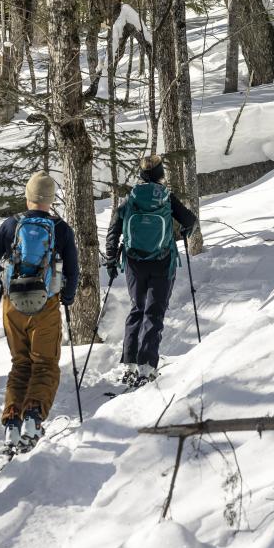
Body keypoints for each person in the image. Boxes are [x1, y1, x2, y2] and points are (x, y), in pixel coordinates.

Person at [0, 170, 79, 450]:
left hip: (13, 306)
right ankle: (33, 417)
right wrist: (67, 298)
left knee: (20, 364)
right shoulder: (61, 229)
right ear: (50, 199)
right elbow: (72, 271)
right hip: (45, 304)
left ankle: (12, 420)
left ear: (28, 196)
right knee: (44, 364)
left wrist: (7, 280)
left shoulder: (11, 224)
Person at [103, 154, 198, 390]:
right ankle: (147, 367)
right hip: (162, 261)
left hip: (134, 262)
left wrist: (112, 257)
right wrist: (184, 233)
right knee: (154, 312)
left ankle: (129, 365)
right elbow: (190, 220)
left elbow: (114, 228)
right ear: (160, 174)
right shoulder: (166, 197)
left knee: (137, 309)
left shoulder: (131, 198)